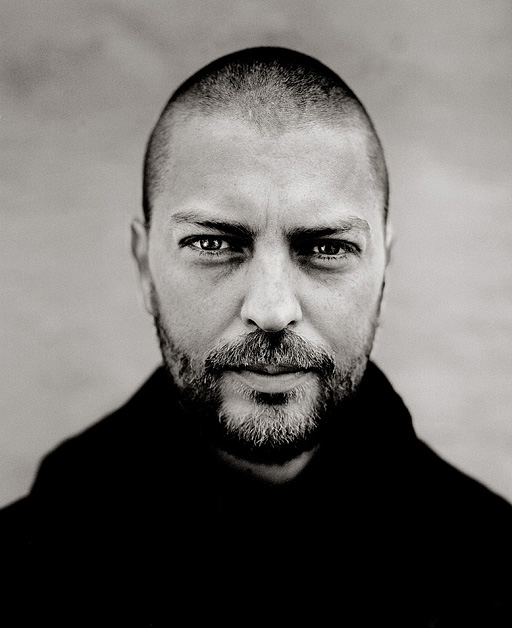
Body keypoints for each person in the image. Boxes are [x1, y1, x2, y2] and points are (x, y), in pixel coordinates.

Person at [1, 47, 511, 627]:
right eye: (213, 244)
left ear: (384, 273)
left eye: (326, 248)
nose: (271, 310)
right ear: (145, 268)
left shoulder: (495, 576)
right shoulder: (23, 572)